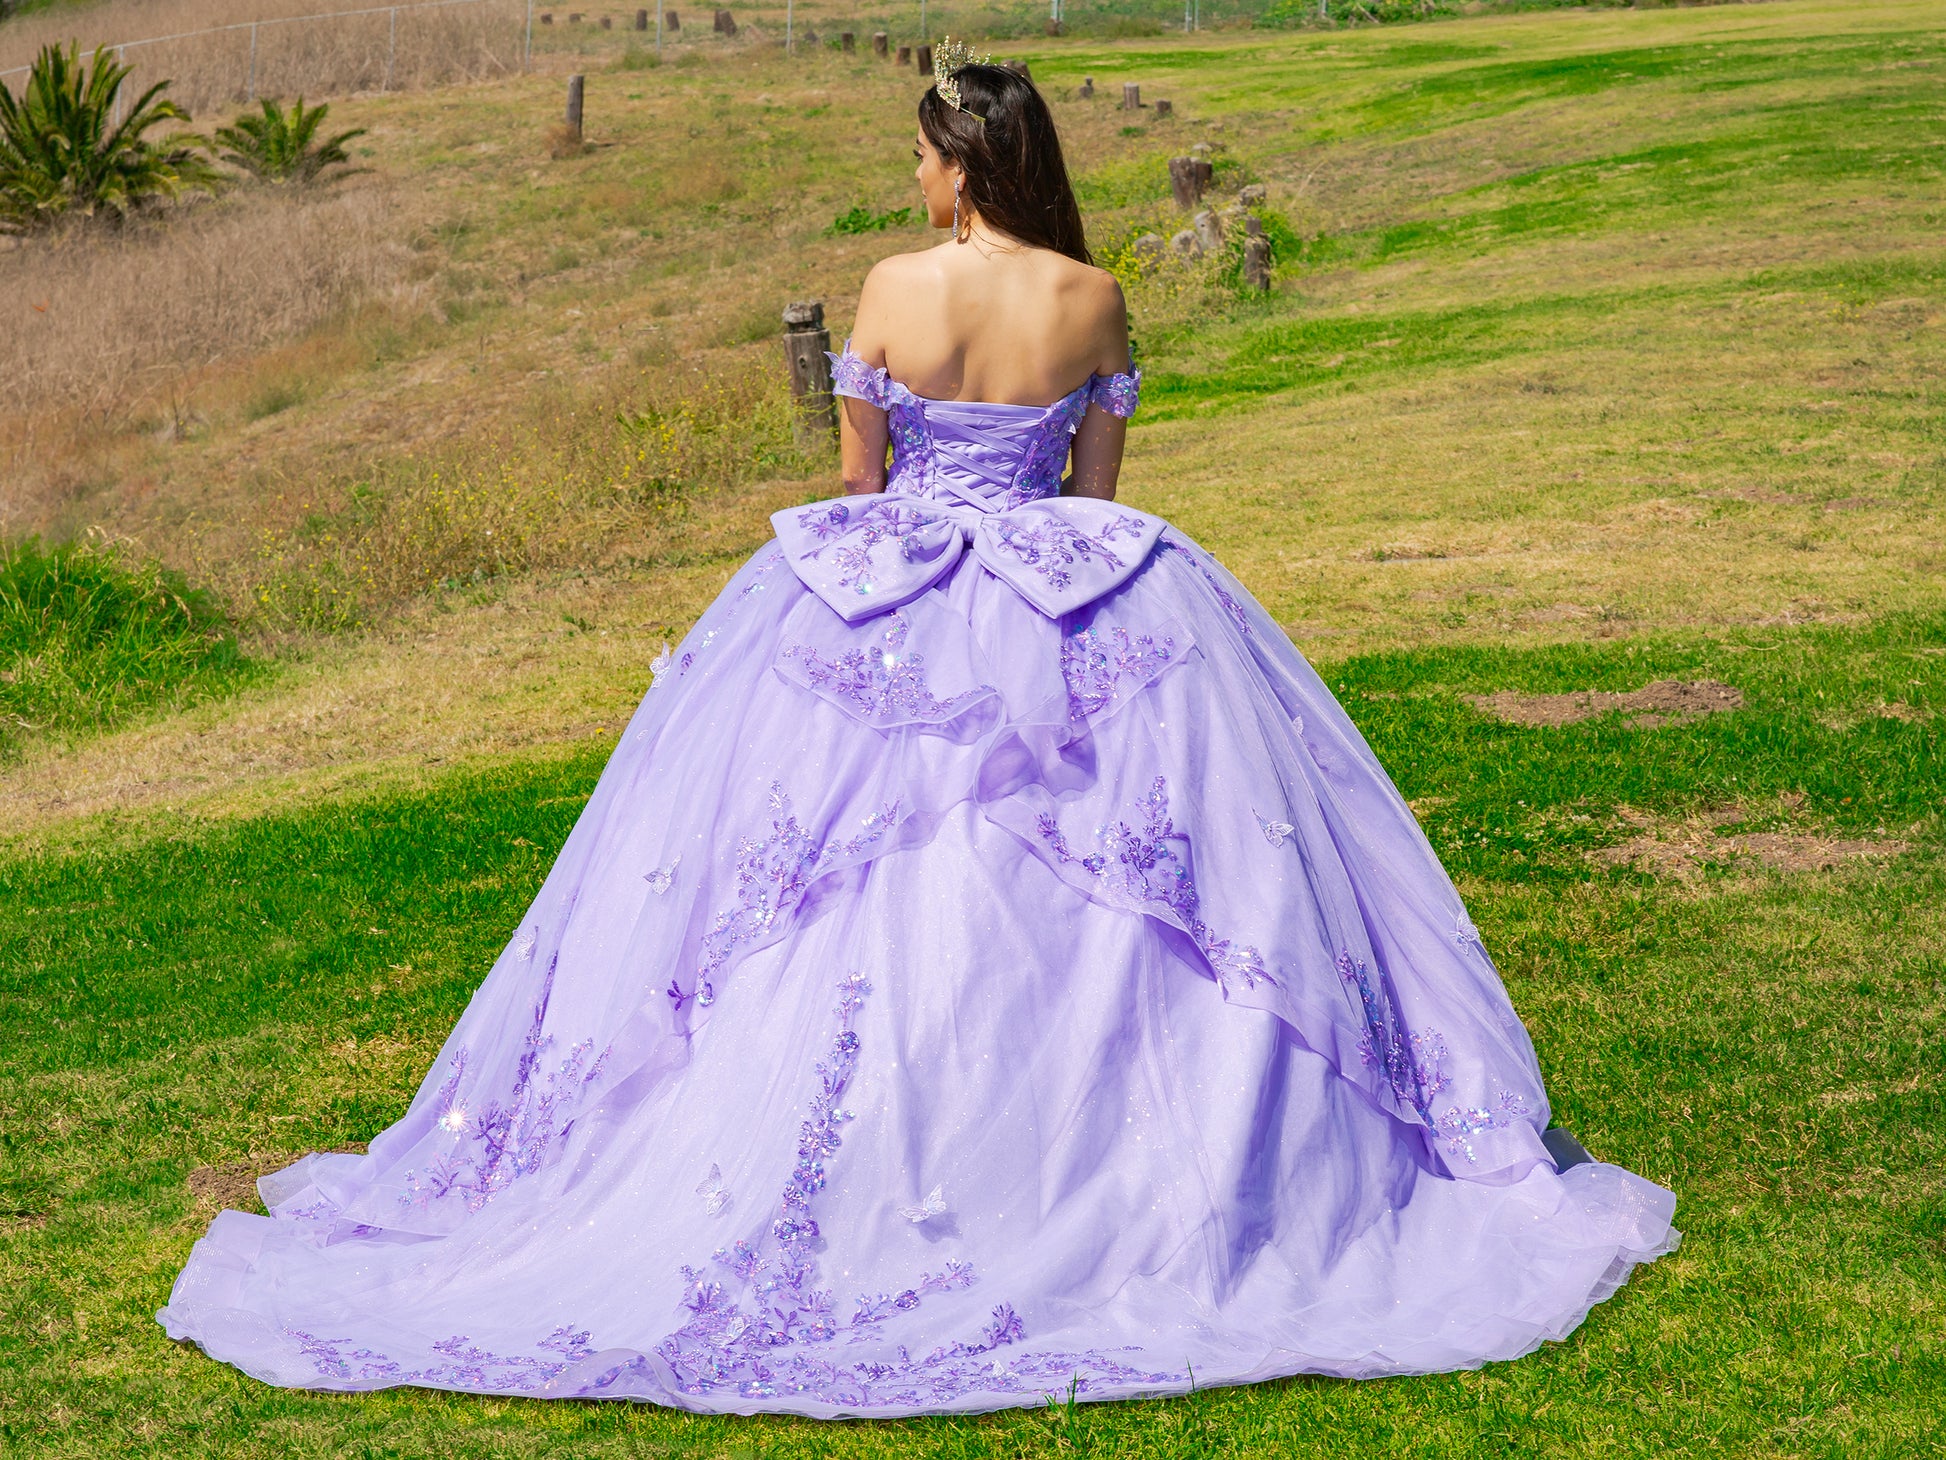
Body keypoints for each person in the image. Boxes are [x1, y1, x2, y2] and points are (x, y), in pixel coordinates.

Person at [158, 51, 1676, 1417]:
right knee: (1122, 880)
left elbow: (862, 476)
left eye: (921, 156)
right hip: (1063, 581)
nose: (912, 178)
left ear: (960, 165)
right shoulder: (1093, 295)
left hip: (888, 588)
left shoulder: (891, 288)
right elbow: (1091, 488)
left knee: (821, 874)